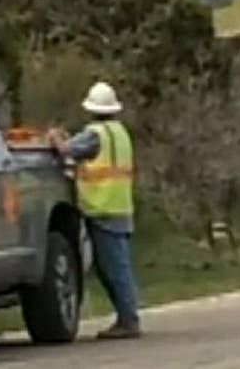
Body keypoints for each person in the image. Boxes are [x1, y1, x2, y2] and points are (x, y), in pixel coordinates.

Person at [48, 81, 141, 340]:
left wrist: (56, 137)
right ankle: (127, 316)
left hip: (103, 208)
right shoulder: (120, 133)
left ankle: (128, 319)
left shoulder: (95, 134)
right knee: (116, 265)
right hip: (120, 206)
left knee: (114, 267)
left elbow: (67, 150)